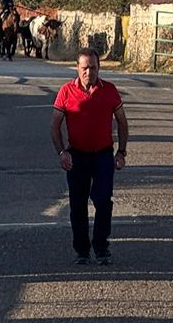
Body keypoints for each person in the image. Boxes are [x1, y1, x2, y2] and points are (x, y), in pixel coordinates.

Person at [51, 49, 129, 265]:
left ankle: (102, 247)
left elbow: (122, 122)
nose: (88, 72)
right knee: (77, 204)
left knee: (103, 201)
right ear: (77, 68)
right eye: (84, 67)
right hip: (77, 156)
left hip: (103, 155)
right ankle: (82, 251)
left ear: (99, 68)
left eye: (93, 67)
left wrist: (121, 152)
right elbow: (54, 125)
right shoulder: (66, 91)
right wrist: (61, 152)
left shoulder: (110, 91)